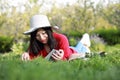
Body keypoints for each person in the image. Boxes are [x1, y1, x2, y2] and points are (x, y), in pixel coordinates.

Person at [21, 14, 91, 61]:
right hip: (69, 48)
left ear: (48, 31)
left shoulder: (61, 38)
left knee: (79, 48)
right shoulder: (35, 43)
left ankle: (84, 40)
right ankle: (83, 40)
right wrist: (26, 54)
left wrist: (61, 58)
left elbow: (68, 58)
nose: (41, 38)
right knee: (76, 47)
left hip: (74, 52)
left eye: (44, 33)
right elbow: (31, 56)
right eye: (37, 35)